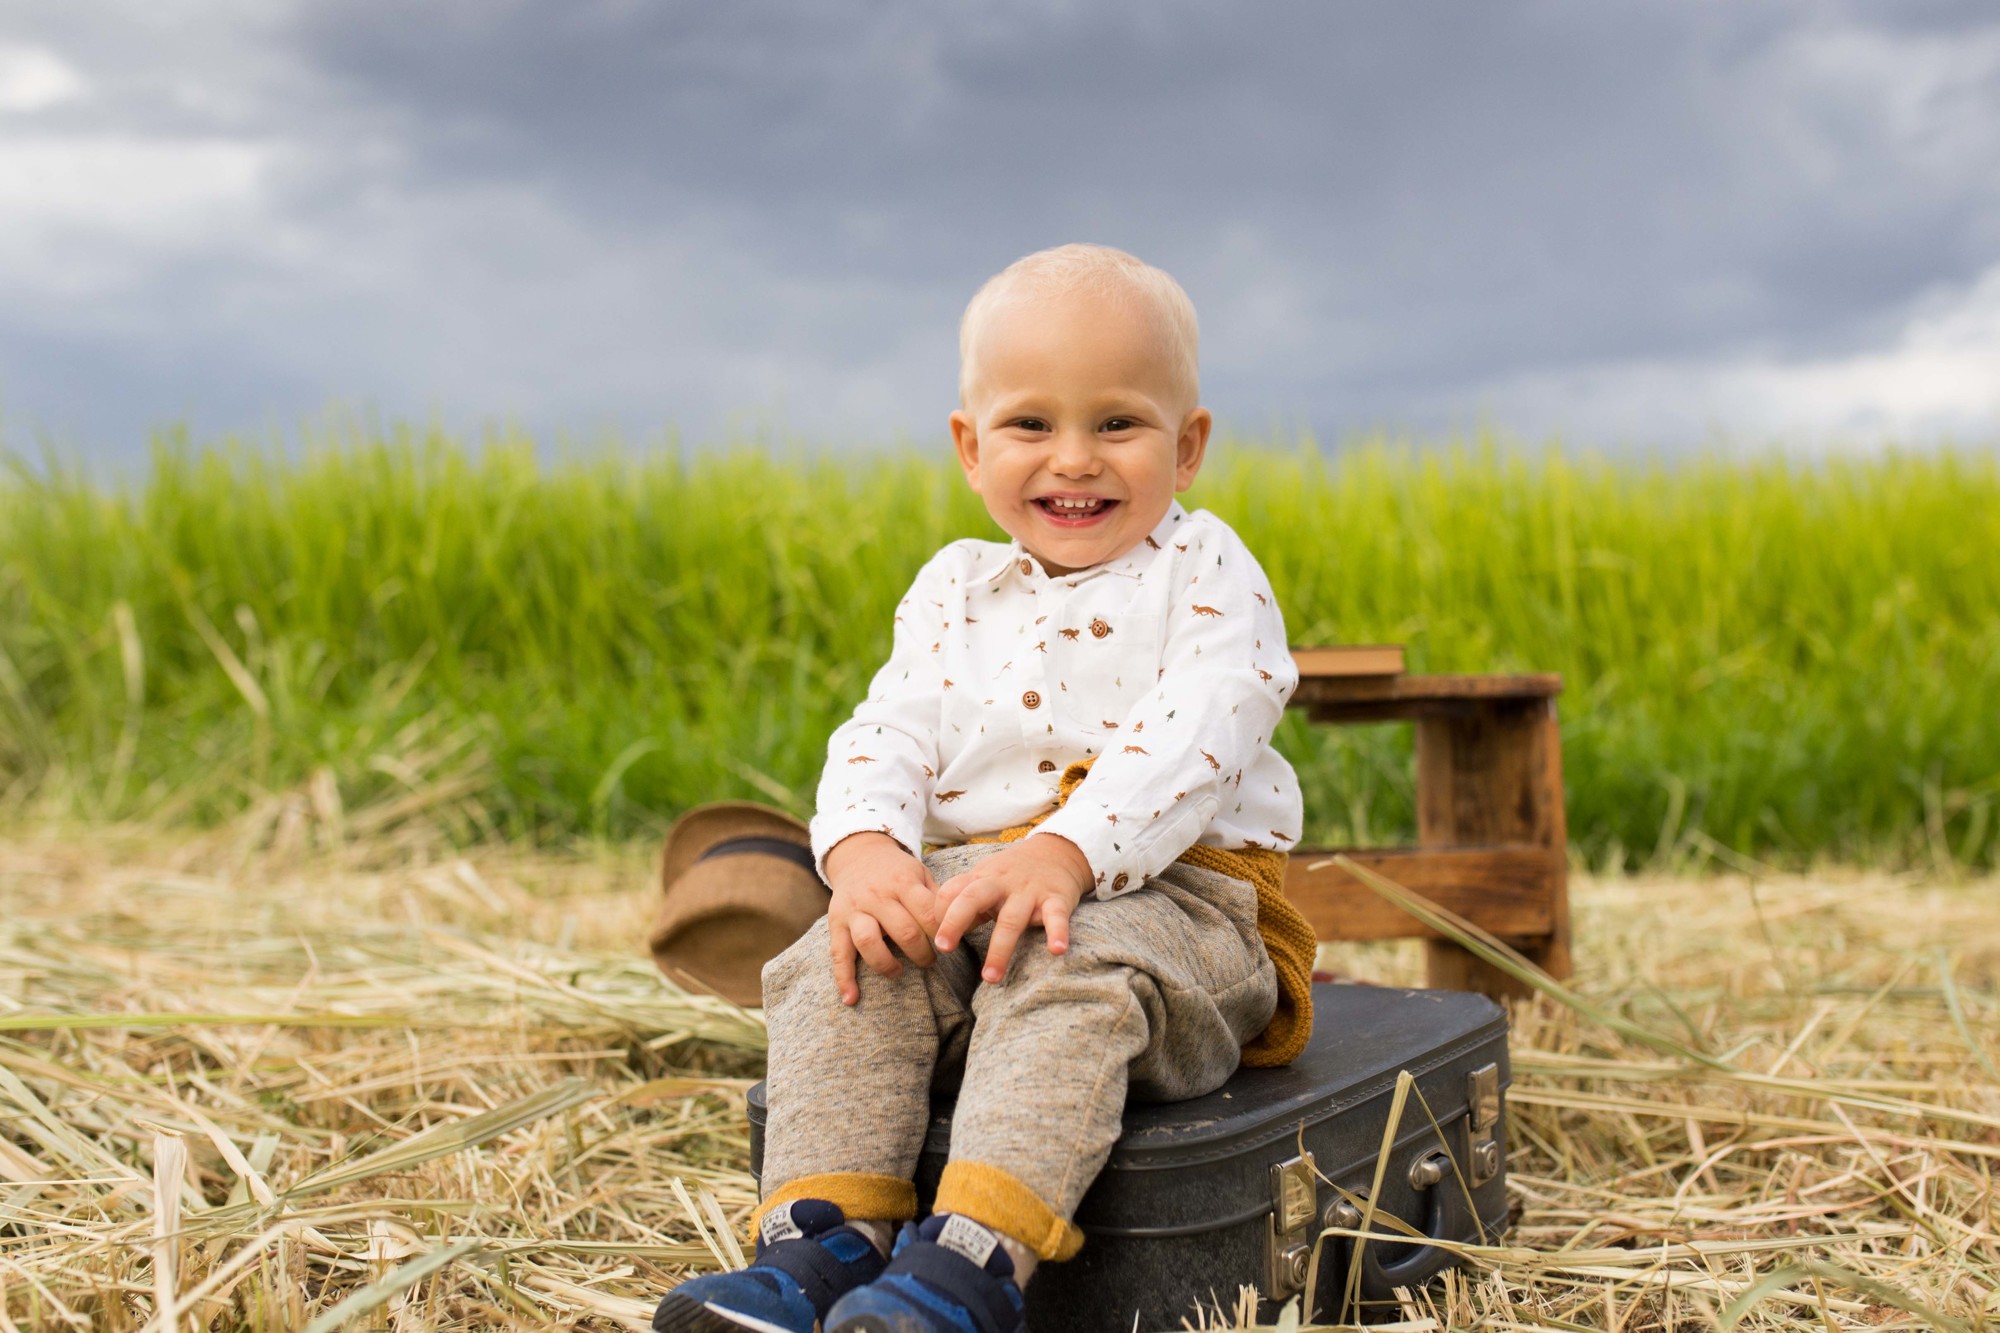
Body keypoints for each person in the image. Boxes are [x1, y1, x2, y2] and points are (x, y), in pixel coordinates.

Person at [654, 244, 1311, 1333]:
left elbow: (1202, 723)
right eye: (1028, 425)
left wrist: (1066, 850)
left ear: (1186, 445)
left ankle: (971, 1264)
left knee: (1067, 966)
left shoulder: (1204, 571)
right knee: (841, 962)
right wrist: (864, 851)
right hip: (972, 895)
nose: (1072, 460)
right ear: (969, 446)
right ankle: (819, 1244)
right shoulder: (953, 587)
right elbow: (889, 728)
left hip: (1184, 907)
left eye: (1116, 423)